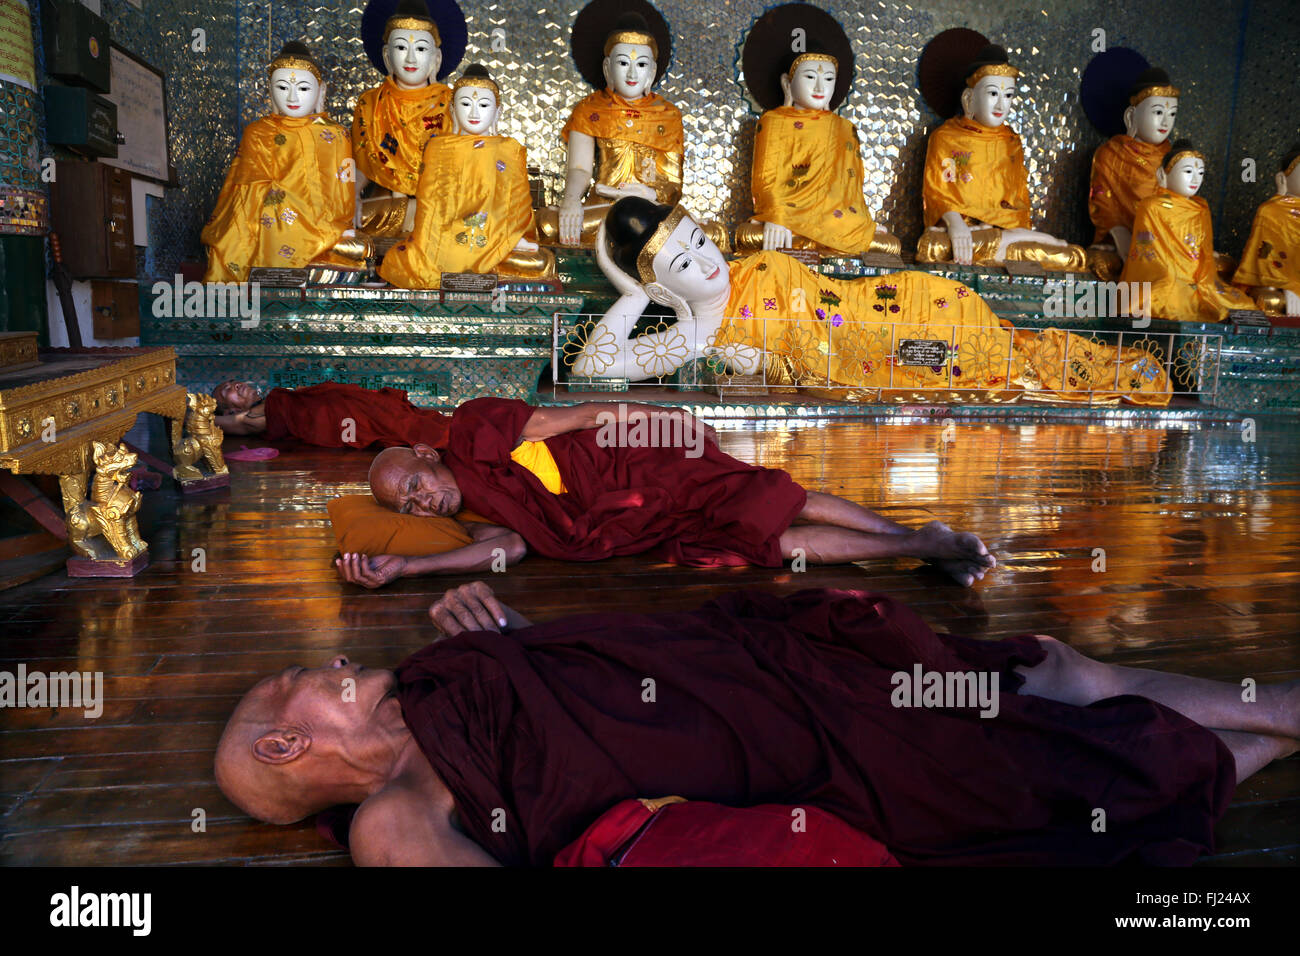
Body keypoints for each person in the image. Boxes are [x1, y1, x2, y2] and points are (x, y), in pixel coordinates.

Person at [214, 580, 1298, 866]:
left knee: (1042, 666)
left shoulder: (435, 681)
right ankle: (1263, 730)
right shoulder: (392, 815)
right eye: (311, 677)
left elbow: (578, 680)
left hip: (754, 661)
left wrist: (514, 634)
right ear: (284, 745)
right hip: (794, 746)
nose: (337, 660)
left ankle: (1263, 725)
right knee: (1043, 754)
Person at [343, 396, 998, 587]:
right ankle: (919, 545)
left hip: (638, 464)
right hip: (637, 527)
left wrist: (664, 421)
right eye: (408, 507)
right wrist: (408, 567)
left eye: (415, 486)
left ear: (428, 455)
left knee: (772, 498)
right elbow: (506, 552)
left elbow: (576, 417)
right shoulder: (482, 517)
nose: (420, 504)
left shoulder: (473, 429)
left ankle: (912, 538)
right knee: (762, 541)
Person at [211, 380, 450, 448]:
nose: (235, 385)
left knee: (414, 420)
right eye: (227, 391)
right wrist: (186, 410)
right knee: (410, 428)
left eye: (234, 382)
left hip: (358, 405)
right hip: (351, 417)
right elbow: (233, 423)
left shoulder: (275, 399)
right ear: (231, 409)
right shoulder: (256, 418)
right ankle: (457, 436)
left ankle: (457, 432)